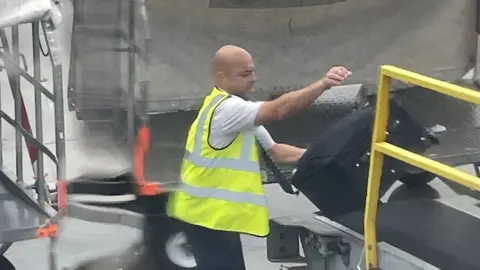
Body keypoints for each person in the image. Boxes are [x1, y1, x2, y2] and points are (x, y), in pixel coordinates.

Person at [166, 45, 351, 270]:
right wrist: (323, 84)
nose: (254, 79)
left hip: (210, 216)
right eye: (245, 74)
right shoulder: (228, 110)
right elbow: (279, 110)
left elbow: (276, 151)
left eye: (253, 71)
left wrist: (335, 156)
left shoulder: (231, 109)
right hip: (208, 218)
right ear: (221, 77)